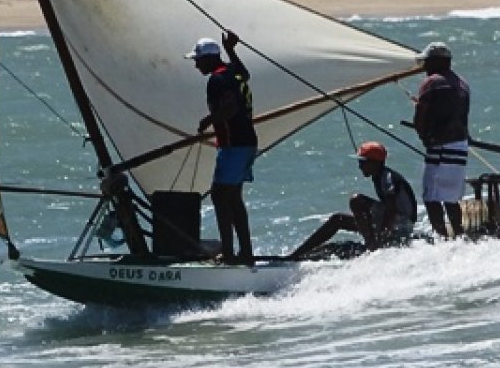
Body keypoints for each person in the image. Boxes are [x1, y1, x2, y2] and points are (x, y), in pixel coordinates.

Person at [188, 30, 257, 265]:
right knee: (233, 198)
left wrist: (209, 120)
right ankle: (244, 253)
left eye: (198, 60)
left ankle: (229, 254)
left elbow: (230, 107)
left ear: (209, 59)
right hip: (246, 143)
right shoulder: (231, 71)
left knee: (220, 196)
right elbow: (245, 74)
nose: (196, 65)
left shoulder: (217, 79)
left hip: (234, 146)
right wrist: (231, 50)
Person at [285, 141, 418, 260]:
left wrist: (381, 237)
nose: (360, 166)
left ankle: (372, 246)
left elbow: (392, 209)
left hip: (400, 227)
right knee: (338, 220)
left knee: (357, 201)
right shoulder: (379, 176)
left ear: (375, 163)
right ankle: (297, 254)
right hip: (391, 223)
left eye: (363, 162)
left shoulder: (387, 177)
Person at [413, 41, 471, 238]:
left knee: (431, 197)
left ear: (437, 62)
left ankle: (442, 237)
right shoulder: (463, 84)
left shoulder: (431, 83)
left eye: (427, 62)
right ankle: (459, 235)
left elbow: (421, 115)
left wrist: (423, 136)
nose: (425, 67)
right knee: (451, 199)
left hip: (440, 147)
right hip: (461, 146)